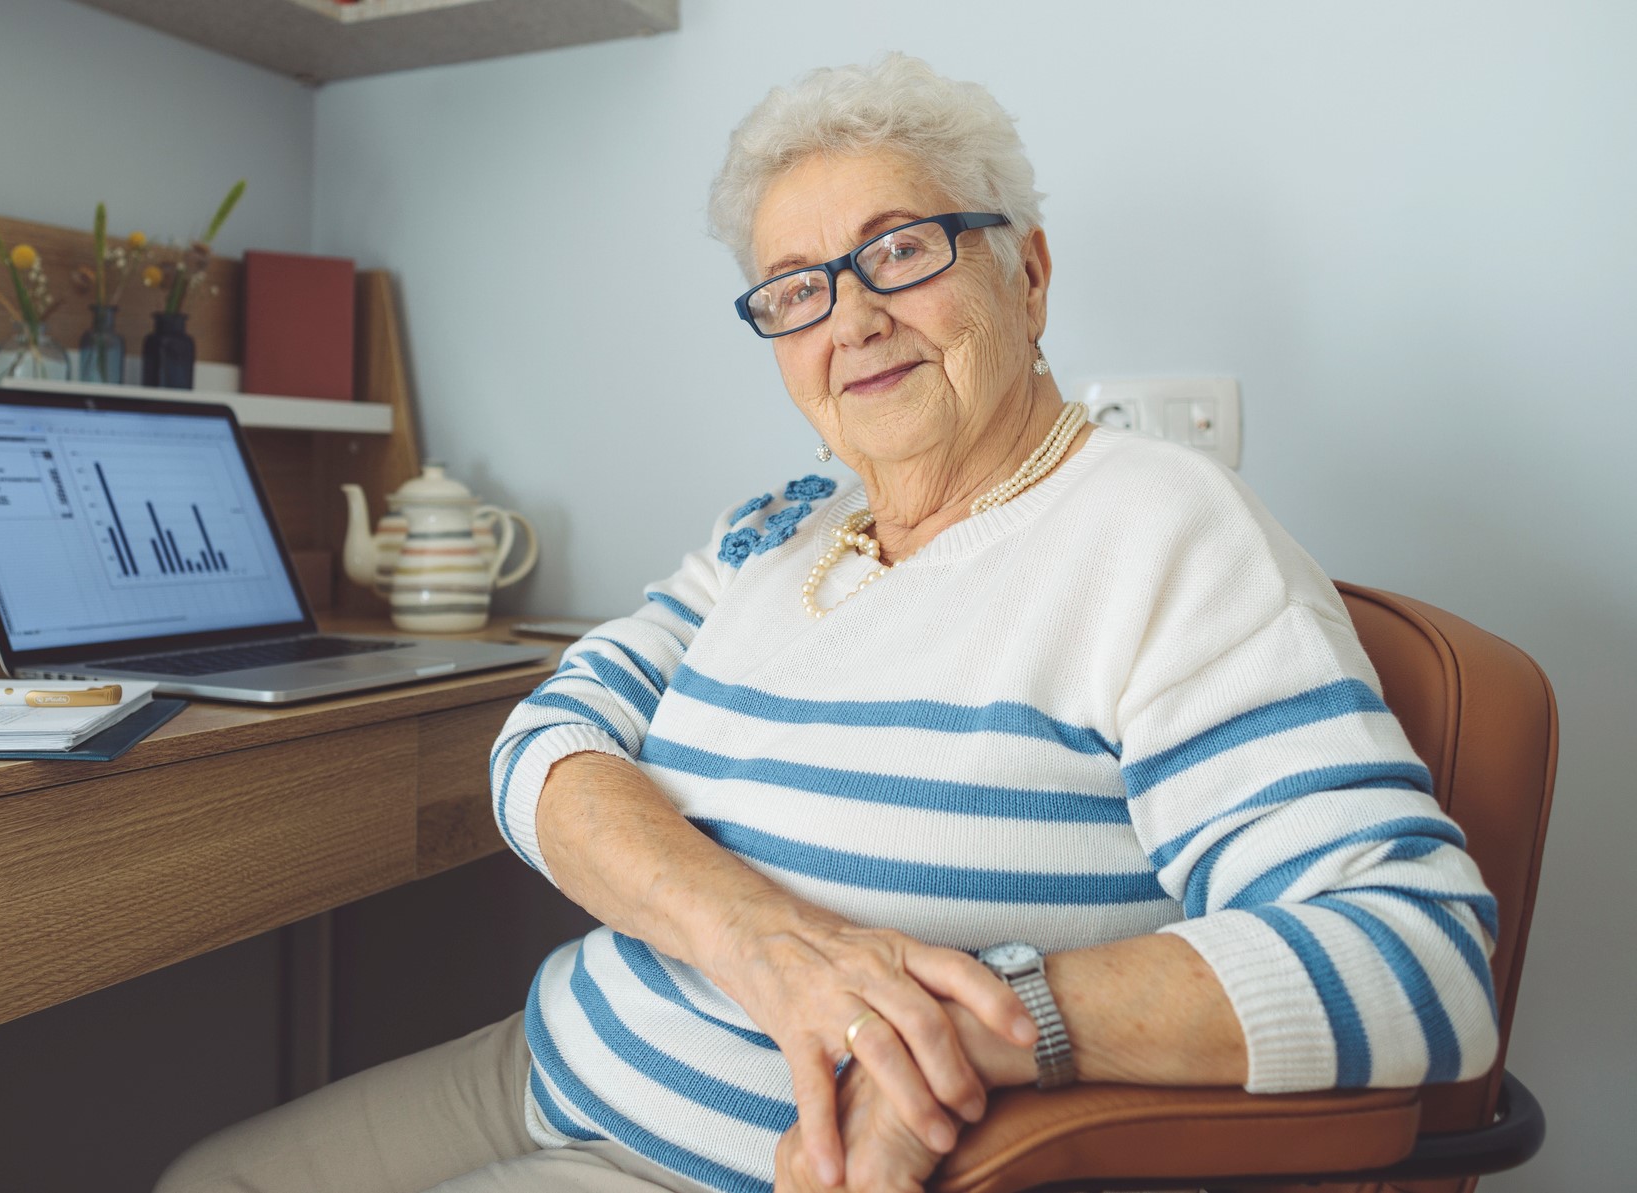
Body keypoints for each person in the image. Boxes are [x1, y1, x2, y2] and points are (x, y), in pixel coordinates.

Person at [156, 53, 1500, 1193]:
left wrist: (990, 1022)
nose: (850, 317)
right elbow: (550, 742)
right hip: (567, 1052)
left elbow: (1417, 959)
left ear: (1027, 277)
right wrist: (756, 938)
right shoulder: (789, 522)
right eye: (795, 287)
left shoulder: (1161, 534)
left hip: (724, 1157)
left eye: (901, 252)